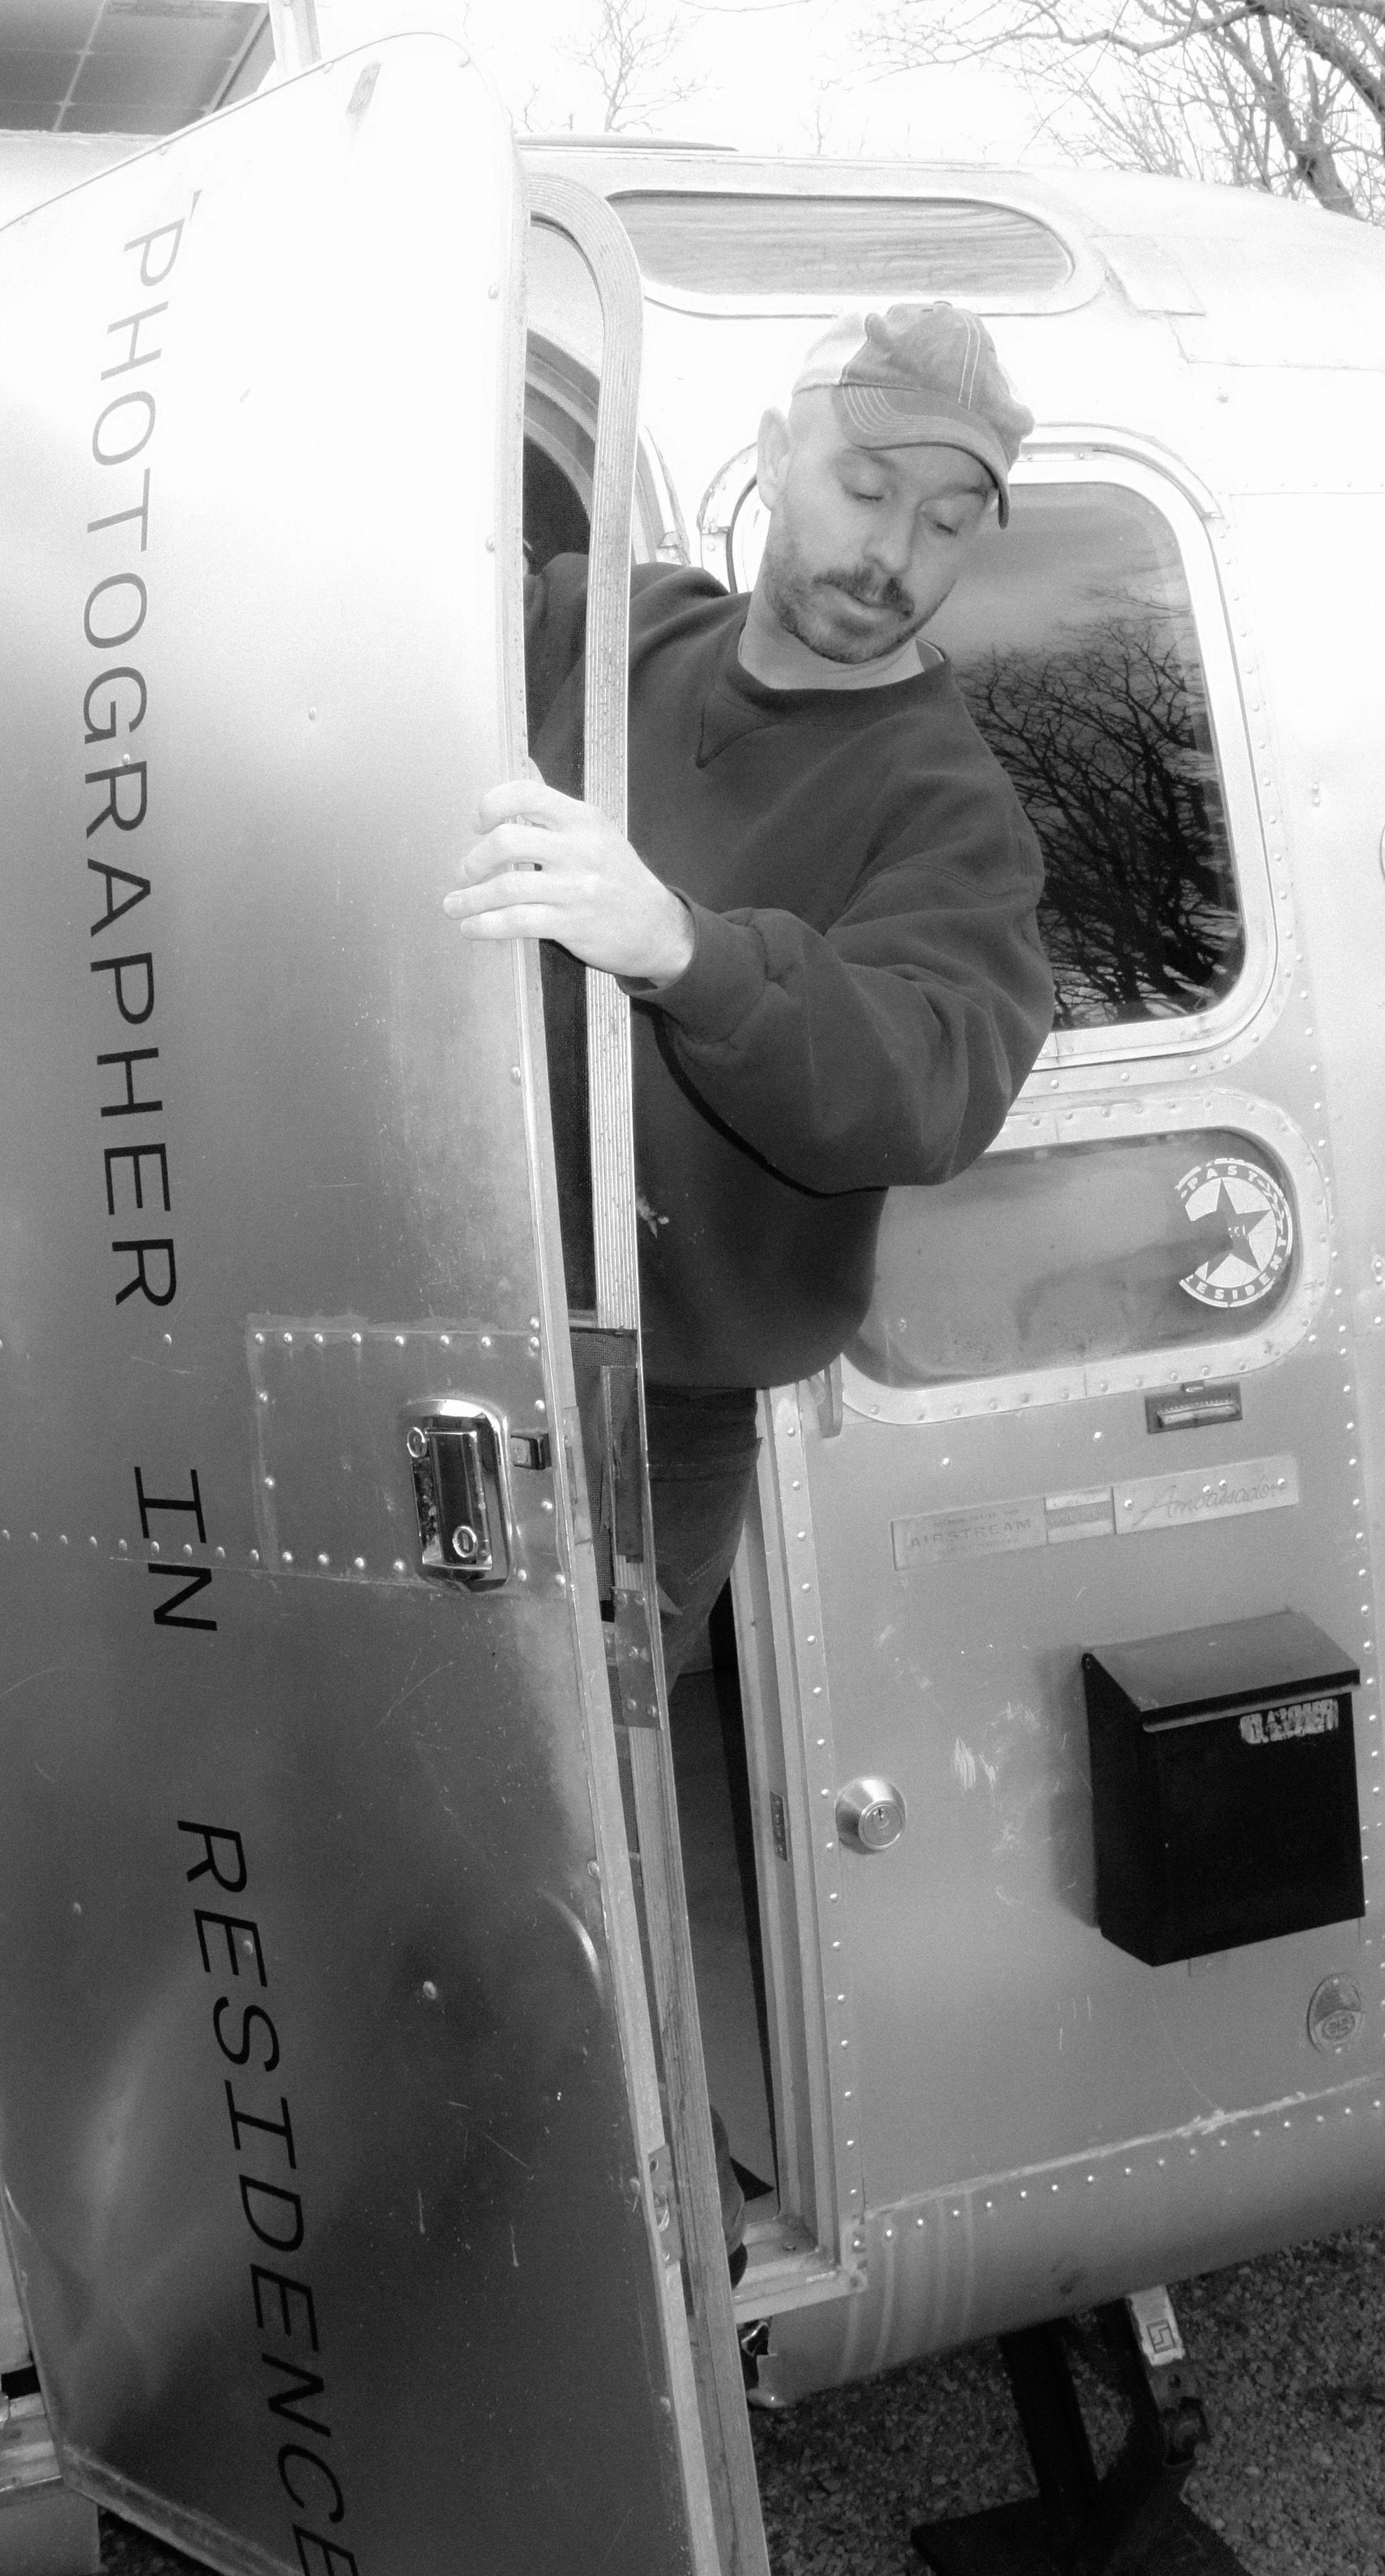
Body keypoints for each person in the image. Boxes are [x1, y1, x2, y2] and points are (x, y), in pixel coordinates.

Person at [443, 299, 1056, 2268]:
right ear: (778, 455)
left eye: (946, 522)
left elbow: (928, 1074)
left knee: (575, 1806)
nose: (893, 552)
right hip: (430, 1309)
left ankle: (640, 2245)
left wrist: (683, 949)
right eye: (866, 486)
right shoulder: (608, 634)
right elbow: (378, 619)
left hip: (650, 1393)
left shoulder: (944, 803)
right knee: (404, 1766)